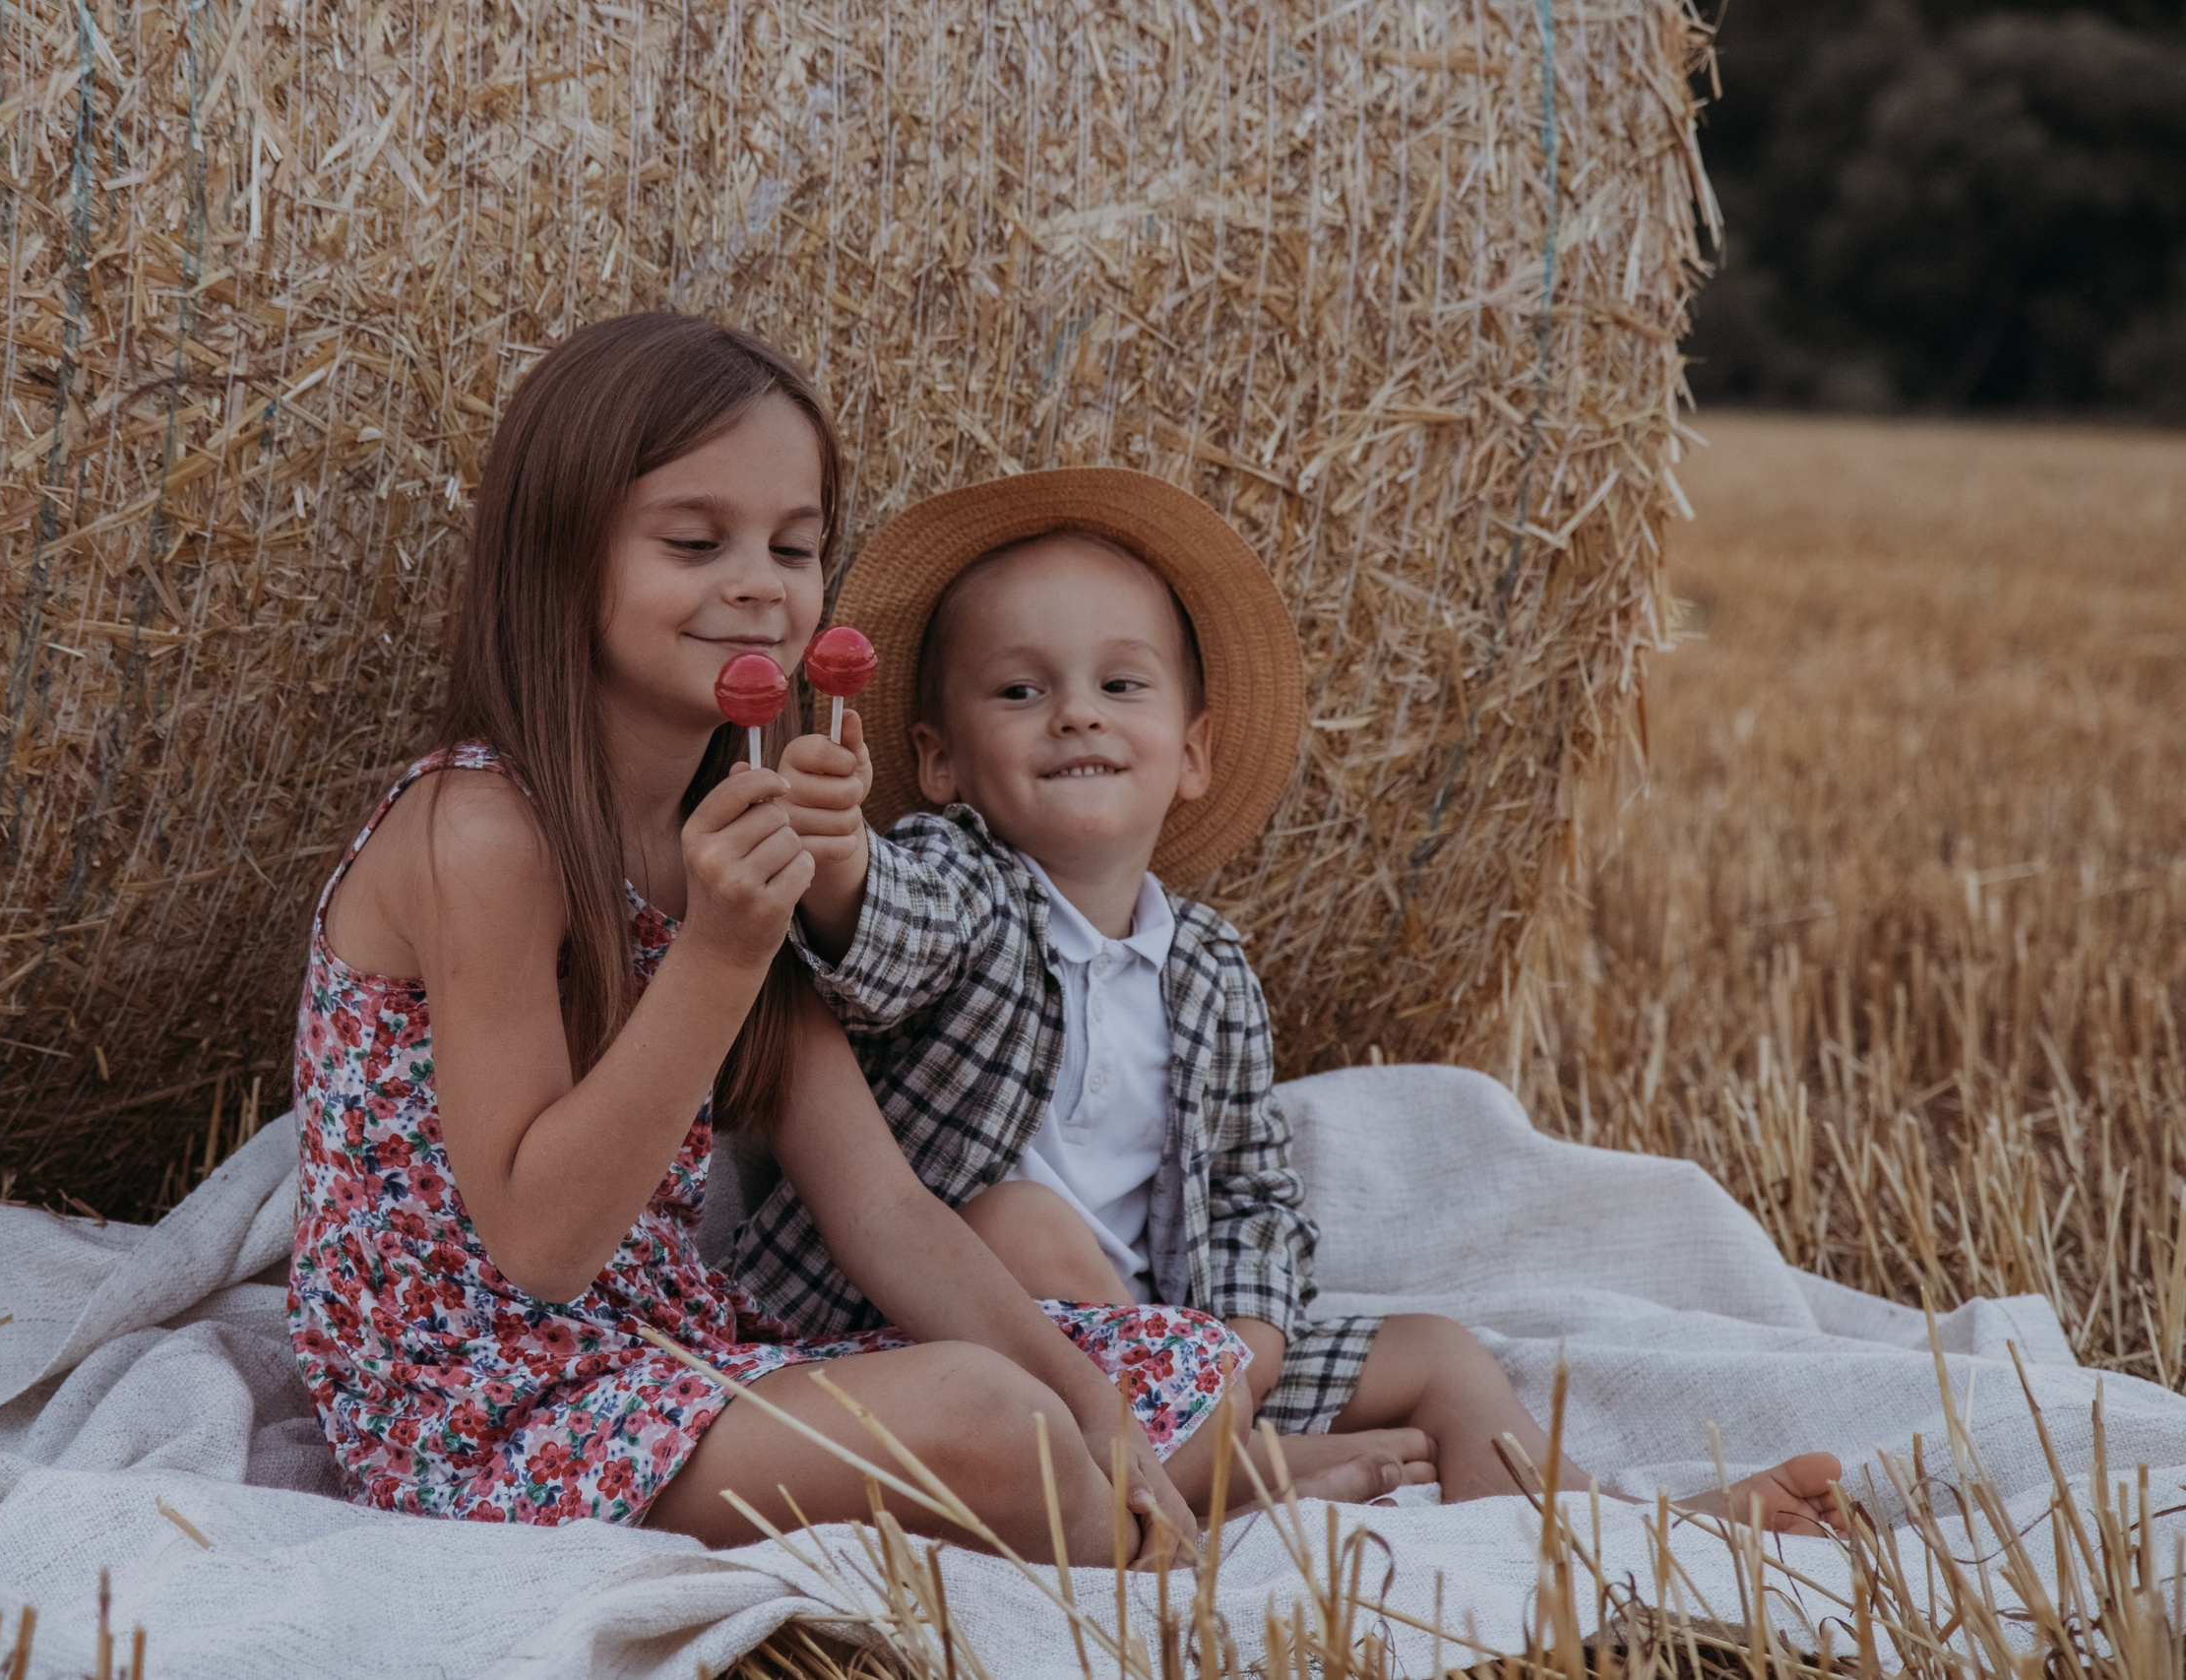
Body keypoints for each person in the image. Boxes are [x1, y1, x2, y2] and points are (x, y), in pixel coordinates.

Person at [285, 313, 1373, 1570]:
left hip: (679, 1356)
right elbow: (540, 1246)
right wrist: (721, 951)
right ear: (559, 558)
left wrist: (1101, 1413)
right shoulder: (482, 832)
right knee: (989, 1415)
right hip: (484, 1407)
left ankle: (1148, 1481)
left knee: (1171, 1366)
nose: (760, 584)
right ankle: (1168, 1545)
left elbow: (885, 1207)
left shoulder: (729, 829)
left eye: (794, 547)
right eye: (695, 542)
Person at [746, 471, 1844, 1529]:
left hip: (1172, 1335)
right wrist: (841, 856)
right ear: (939, 761)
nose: (1076, 714)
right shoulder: (961, 884)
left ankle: (1585, 1525)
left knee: (1440, 1353)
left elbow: (1250, 1192)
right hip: (946, 1337)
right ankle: (1238, 1467)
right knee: (1023, 1222)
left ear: (1192, 752)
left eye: (1120, 686)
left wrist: (1251, 1344)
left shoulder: (1210, 969)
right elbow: (882, 936)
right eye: (1021, 691)